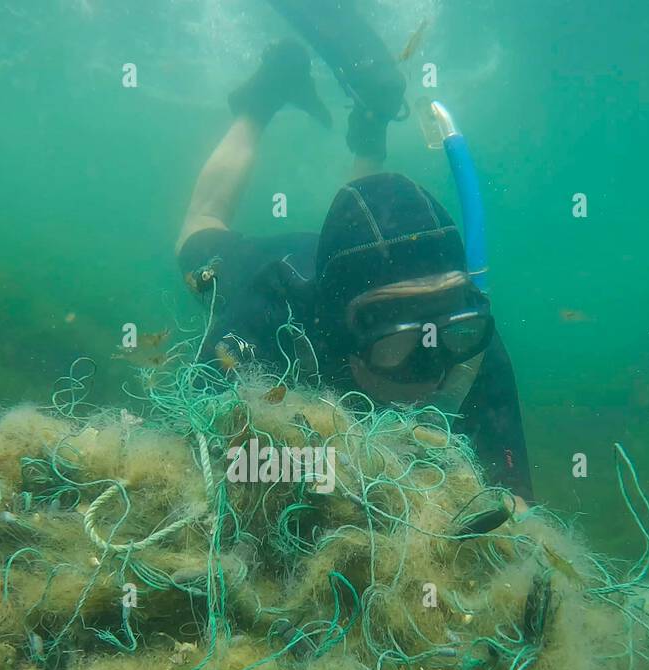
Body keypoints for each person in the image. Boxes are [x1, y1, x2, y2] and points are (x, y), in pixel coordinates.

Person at [175, 26, 533, 500]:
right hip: (286, 265)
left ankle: (370, 124)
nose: (435, 370)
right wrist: (338, 469)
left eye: (451, 327)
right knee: (199, 227)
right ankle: (264, 96)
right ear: (337, 330)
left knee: (376, 254)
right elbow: (209, 459)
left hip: (357, 265)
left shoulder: (465, 335)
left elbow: (514, 499)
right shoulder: (270, 310)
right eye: (396, 342)